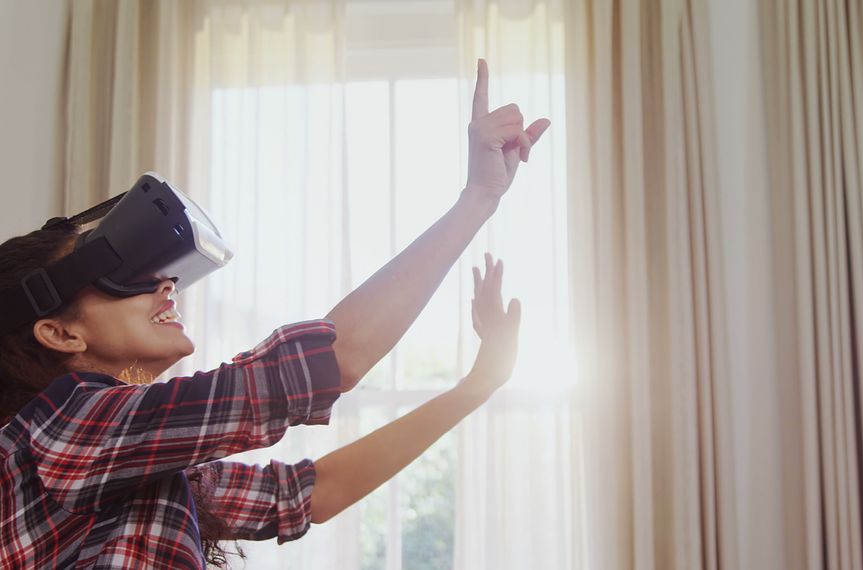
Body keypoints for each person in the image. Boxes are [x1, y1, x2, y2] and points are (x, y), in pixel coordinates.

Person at [0, 59, 550, 569]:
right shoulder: (57, 435)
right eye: (119, 275)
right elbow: (334, 359)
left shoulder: (130, 462)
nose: (165, 286)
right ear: (58, 331)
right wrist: (478, 197)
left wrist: (479, 384)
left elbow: (313, 493)